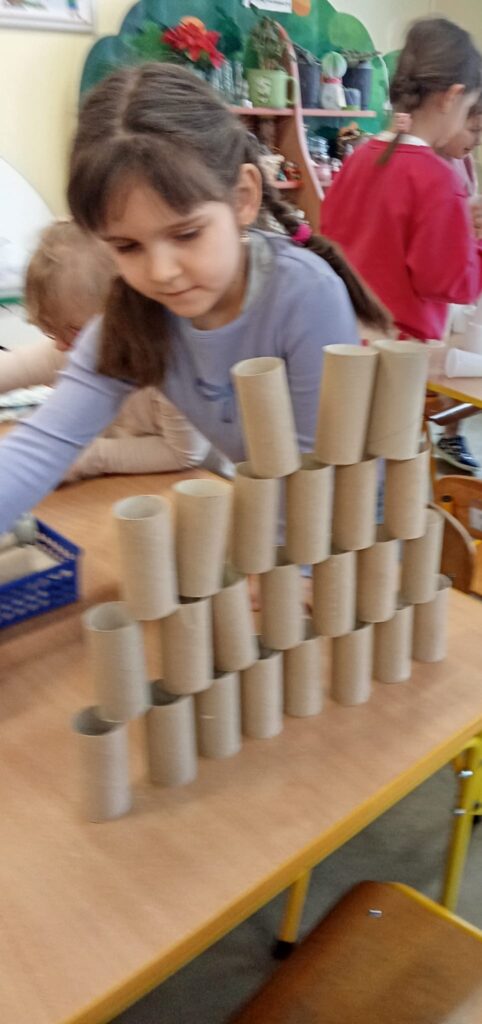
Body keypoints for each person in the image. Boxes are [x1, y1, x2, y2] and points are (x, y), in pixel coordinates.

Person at [0, 63, 390, 534]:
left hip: (353, 529)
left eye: (186, 234)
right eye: (128, 246)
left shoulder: (305, 296)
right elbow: (41, 446)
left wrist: (275, 558)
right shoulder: (134, 317)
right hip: (275, 520)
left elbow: (317, 478)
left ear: (243, 197)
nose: (162, 272)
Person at [1, 220, 223, 482]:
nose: (60, 346)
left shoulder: (173, 365)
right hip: (127, 479)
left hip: (199, 482)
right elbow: (15, 367)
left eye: (72, 331)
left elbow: (184, 454)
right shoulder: (73, 344)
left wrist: (90, 458)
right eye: (51, 332)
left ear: (124, 314)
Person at [322, 17, 482, 349]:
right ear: (452, 97)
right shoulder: (438, 178)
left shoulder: (358, 158)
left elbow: (332, 235)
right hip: (399, 354)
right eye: (468, 107)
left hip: (342, 338)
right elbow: (449, 282)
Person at [432, 101, 482, 471]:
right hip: (439, 284)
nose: (476, 141)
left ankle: (451, 434)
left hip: (462, 277)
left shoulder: (461, 160)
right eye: (474, 130)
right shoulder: (426, 163)